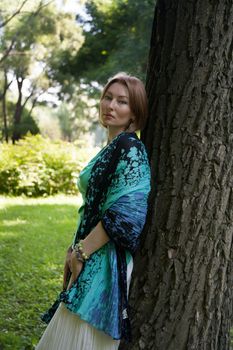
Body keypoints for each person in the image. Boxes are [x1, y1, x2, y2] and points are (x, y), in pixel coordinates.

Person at [36, 72, 151, 350]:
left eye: (122, 102)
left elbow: (126, 216)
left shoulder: (130, 148)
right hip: (89, 254)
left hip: (105, 263)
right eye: (108, 98)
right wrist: (74, 249)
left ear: (135, 112)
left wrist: (81, 252)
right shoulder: (111, 147)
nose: (111, 106)